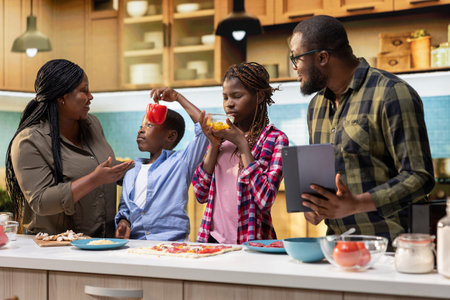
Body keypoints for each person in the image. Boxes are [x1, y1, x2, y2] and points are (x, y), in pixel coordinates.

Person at [289, 15, 435, 243]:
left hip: (392, 249)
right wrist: (314, 206)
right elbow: (326, 182)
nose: (295, 67)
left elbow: (419, 177)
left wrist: (357, 204)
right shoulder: (316, 106)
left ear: (322, 57)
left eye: (296, 58)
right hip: (338, 247)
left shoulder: (391, 93)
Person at [5, 59, 133, 237]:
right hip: (56, 249)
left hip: (103, 244)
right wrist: (94, 179)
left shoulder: (92, 124)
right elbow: (41, 201)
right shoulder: (29, 141)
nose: (90, 96)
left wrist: (150, 167)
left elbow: (100, 166)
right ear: (61, 98)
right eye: (84, 90)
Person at [193, 62, 289, 244]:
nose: (229, 104)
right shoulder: (220, 136)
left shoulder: (276, 140)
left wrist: (242, 145)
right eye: (225, 97)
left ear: (259, 96)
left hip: (252, 243)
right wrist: (213, 146)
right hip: (212, 241)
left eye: (237, 96)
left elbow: (265, 200)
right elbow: (200, 193)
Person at [115, 87, 208, 241]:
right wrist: (123, 223)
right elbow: (125, 209)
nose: (141, 131)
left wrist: (178, 97)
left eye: (149, 125)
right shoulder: (130, 172)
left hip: (173, 245)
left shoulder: (180, 162)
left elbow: (206, 129)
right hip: (135, 246)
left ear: (170, 136)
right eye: (141, 127)